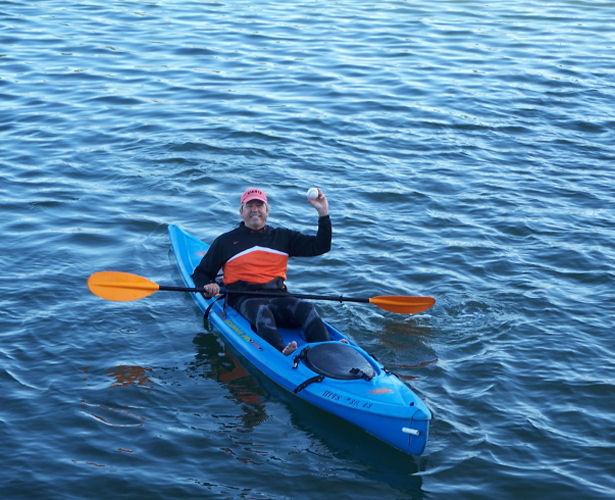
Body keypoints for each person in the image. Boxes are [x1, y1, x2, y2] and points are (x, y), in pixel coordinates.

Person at [192, 187, 332, 355]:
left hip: (278, 295)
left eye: (259, 205)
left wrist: (323, 214)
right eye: (249, 205)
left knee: (307, 308)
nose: (255, 210)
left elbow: (321, 246)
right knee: (262, 312)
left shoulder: (283, 237)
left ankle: (327, 350)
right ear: (241, 212)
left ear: (267, 211)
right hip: (244, 298)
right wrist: (208, 287)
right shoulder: (225, 242)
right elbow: (201, 273)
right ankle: (281, 353)